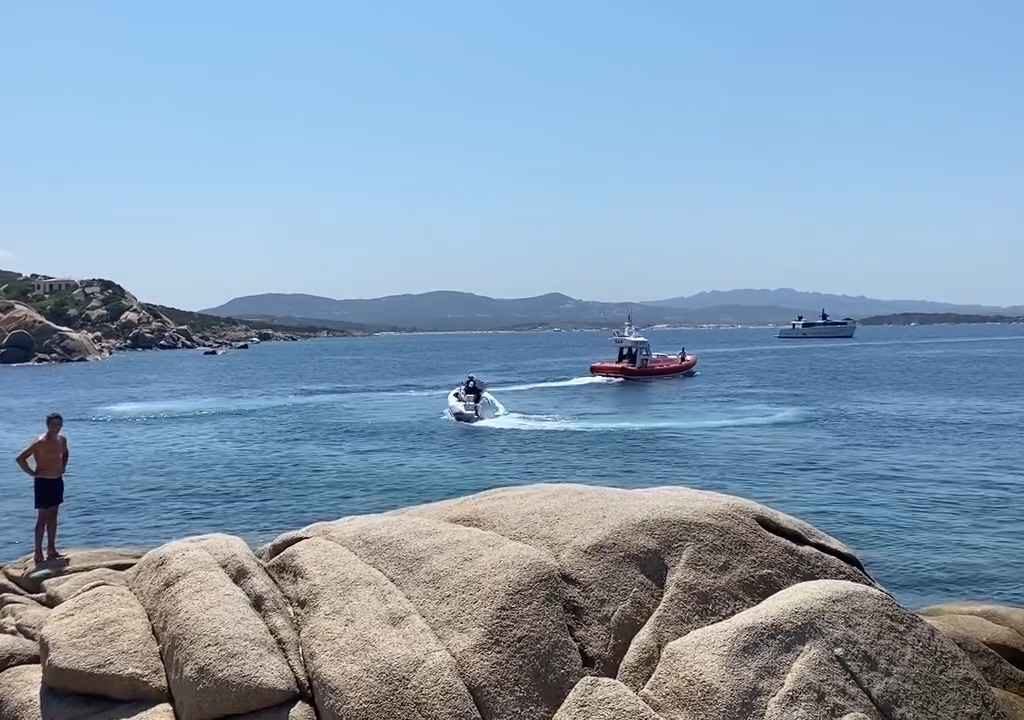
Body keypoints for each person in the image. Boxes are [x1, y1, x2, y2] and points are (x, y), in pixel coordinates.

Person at [16, 413, 69, 564]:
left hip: (57, 481)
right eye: (53, 424)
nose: (56, 427)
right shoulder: (40, 442)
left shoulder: (62, 440)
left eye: (58, 424)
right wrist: (31, 473)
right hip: (43, 483)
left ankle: (51, 549)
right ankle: (38, 553)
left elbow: (65, 453)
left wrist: (63, 466)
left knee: (54, 516)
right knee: (42, 518)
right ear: (48, 425)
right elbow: (20, 459)